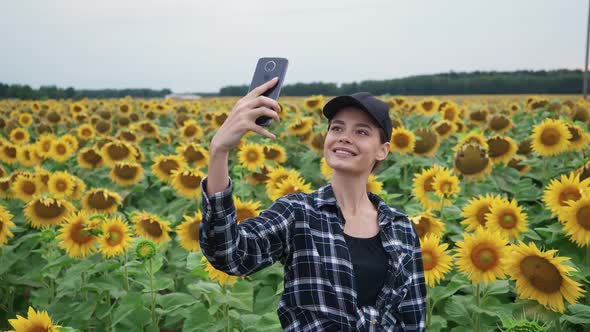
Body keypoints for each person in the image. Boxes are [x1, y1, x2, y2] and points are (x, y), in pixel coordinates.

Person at [199, 77, 427, 331]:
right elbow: (230, 254)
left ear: (382, 150)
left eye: (361, 131)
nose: (345, 137)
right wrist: (219, 151)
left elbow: (413, 317)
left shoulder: (401, 228)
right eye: (337, 128)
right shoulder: (299, 213)